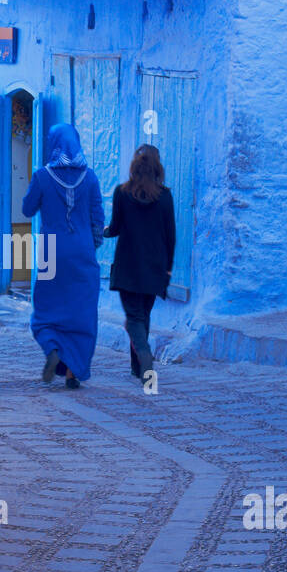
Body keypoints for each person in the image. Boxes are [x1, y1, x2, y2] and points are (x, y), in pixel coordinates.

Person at [22, 123, 104, 389]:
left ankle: (52, 348)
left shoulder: (42, 176)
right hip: (82, 251)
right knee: (82, 311)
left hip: (50, 251)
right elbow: (97, 219)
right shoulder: (90, 177)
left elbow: (27, 209)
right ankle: (73, 371)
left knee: (46, 308)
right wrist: (91, 247)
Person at [103, 144, 175, 386]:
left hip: (128, 266)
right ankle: (137, 367)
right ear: (157, 167)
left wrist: (102, 231)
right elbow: (170, 235)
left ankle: (144, 357)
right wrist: (168, 268)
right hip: (155, 267)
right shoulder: (165, 196)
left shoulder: (121, 193)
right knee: (143, 315)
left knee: (134, 317)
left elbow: (114, 228)